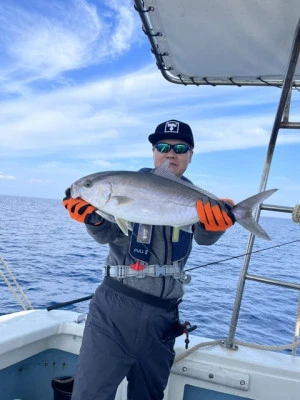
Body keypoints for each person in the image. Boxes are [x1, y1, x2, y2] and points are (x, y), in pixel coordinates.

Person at [63, 119, 235, 400]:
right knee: (89, 395)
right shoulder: (128, 183)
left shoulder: (198, 198)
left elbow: (204, 237)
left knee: (149, 396)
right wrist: (92, 219)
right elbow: (105, 234)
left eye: (180, 147)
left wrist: (220, 222)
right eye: (162, 146)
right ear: (153, 152)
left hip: (163, 318)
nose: (170, 153)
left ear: (190, 155)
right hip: (114, 310)